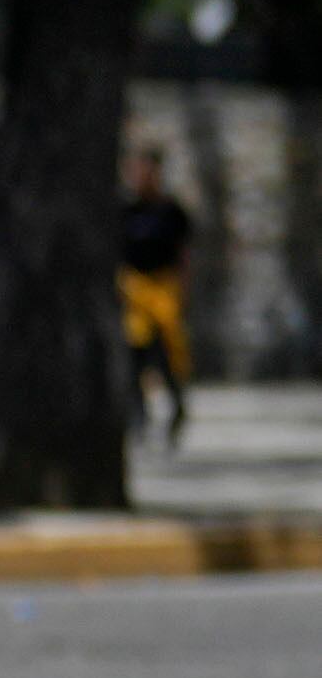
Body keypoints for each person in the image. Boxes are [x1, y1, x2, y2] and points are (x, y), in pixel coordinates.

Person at [119, 143, 196, 449]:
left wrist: (183, 289)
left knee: (169, 353)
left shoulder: (171, 211)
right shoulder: (125, 210)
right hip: (134, 286)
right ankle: (138, 416)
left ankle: (177, 406)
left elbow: (184, 254)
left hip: (164, 286)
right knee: (134, 353)